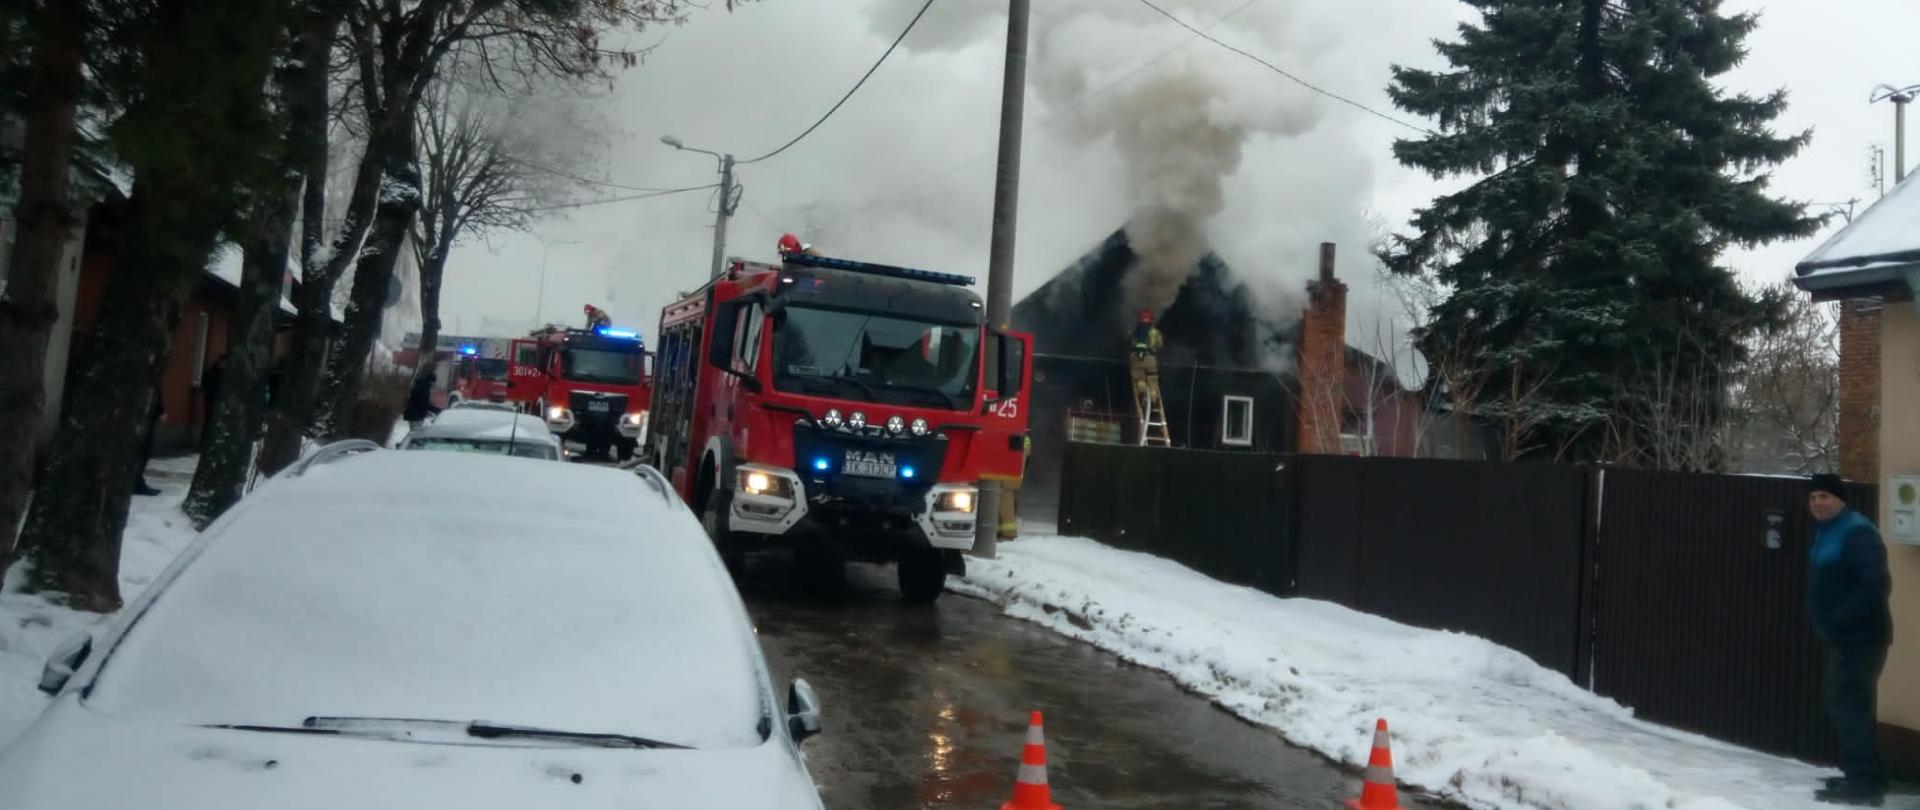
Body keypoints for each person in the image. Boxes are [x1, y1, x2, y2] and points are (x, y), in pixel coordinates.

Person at [1805, 473, 1893, 805]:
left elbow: (1876, 585)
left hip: (1861, 638)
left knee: (1848, 707)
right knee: (1848, 706)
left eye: (1824, 496)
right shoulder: (1828, 532)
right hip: (1845, 639)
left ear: (1841, 499)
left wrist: (1838, 619)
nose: (1817, 503)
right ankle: (1865, 776)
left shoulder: (1857, 533)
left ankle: (1864, 784)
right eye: (1813, 498)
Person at [1127, 308, 1163, 395]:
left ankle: (1141, 390)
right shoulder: (1155, 332)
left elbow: (1129, 342)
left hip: (1136, 359)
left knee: (1139, 377)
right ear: (1151, 320)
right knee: (1152, 377)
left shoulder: (1133, 331)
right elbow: (1160, 344)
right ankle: (1153, 394)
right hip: (1150, 359)